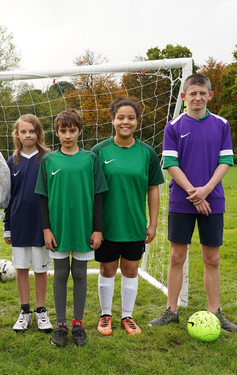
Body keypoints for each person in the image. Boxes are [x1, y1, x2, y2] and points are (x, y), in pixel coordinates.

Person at [148, 74, 237, 332]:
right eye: (193, 93)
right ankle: (171, 310)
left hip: (213, 201)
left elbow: (226, 161)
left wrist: (206, 190)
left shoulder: (222, 124)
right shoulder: (173, 126)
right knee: (177, 256)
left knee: (212, 258)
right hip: (182, 200)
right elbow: (170, 164)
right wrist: (193, 192)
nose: (197, 97)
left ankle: (215, 312)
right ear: (184, 96)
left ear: (210, 95)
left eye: (202, 93)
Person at [35, 109, 108, 347]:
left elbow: (98, 195)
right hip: (58, 227)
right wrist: (46, 229)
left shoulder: (90, 158)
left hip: (84, 227)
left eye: (72, 130)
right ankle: (61, 325)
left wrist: (98, 229)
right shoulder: (48, 159)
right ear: (56, 133)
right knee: (60, 274)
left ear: (79, 131)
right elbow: (43, 198)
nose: (68, 135)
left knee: (78, 273)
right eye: (63, 131)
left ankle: (78, 324)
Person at [91, 97, 164, 336]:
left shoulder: (147, 153)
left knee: (131, 270)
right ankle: (105, 315)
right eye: (120, 117)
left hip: (134, 225)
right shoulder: (99, 151)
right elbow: (91, 191)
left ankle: (127, 316)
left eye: (130, 118)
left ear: (137, 121)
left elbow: (153, 188)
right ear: (113, 120)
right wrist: (94, 226)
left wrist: (153, 223)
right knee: (107, 270)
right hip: (107, 225)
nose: (125, 122)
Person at [3, 114, 52, 333]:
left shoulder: (48, 159)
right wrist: (7, 225)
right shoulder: (11, 161)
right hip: (19, 223)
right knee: (21, 268)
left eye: (32, 131)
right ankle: (25, 312)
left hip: (42, 225)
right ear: (17, 135)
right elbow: (8, 196)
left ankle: (41, 311)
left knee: (41, 269)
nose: (28, 135)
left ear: (39, 133)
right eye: (23, 131)